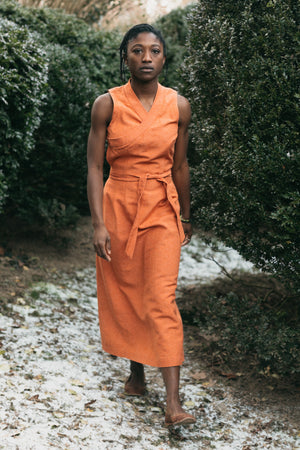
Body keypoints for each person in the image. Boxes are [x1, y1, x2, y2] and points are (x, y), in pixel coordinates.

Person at [87, 23, 196, 427]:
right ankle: (136, 373)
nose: (146, 57)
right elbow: (95, 166)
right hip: (119, 206)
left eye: (154, 51)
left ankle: (173, 404)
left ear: (164, 57)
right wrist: (98, 224)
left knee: (161, 298)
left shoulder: (179, 106)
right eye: (137, 50)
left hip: (162, 208)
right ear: (126, 57)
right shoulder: (107, 104)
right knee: (127, 287)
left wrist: (185, 214)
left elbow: (180, 165)